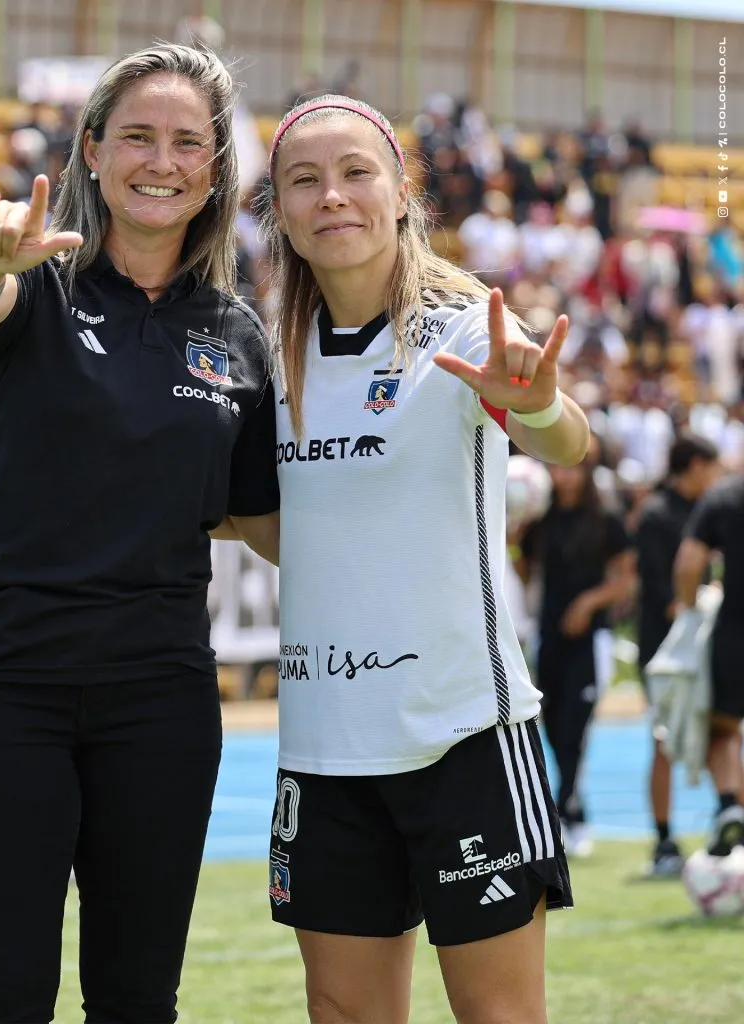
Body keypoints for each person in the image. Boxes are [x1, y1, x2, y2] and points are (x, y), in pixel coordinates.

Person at [0, 44, 278, 1024]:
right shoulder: (34, 280)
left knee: (135, 1000)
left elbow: (264, 522)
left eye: (184, 143)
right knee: (4, 996)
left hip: (156, 697)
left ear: (212, 170)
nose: (159, 161)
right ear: (91, 149)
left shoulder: (238, 335)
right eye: (136, 137)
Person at [245, 94, 590, 1024]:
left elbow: (567, 445)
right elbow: (282, 529)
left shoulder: (469, 325)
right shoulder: (265, 360)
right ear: (278, 210)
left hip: (464, 736)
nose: (333, 197)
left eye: (357, 172)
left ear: (402, 190)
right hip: (323, 749)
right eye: (303, 181)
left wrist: (543, 405)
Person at [521, 436, 637, 859]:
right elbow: (523, 566)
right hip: (549, 635)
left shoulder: (605, 518)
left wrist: (588, 604)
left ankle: (566, 814)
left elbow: (624, 578)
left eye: (570, 467)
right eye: (556, 466)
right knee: (551, 725)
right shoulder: (540, 518)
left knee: (576, 723)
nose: (563, 475)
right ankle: (571, 809)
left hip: (591, 640)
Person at [634, 433, 720, 875]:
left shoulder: (703, 510)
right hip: (665, 651)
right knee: (665, 741)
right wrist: (706, 599)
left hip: (702, 645)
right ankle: (664, 840)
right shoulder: (656, 515)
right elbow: (664, 596)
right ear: (694, 466)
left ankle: (727, 825)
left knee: (720, 735)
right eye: (711, 467)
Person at [674, 470, 744, 856]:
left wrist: (689, 611)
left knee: (723, 728)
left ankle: (730, 806)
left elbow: (688, 564)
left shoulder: (727, 495)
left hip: (735, 632)